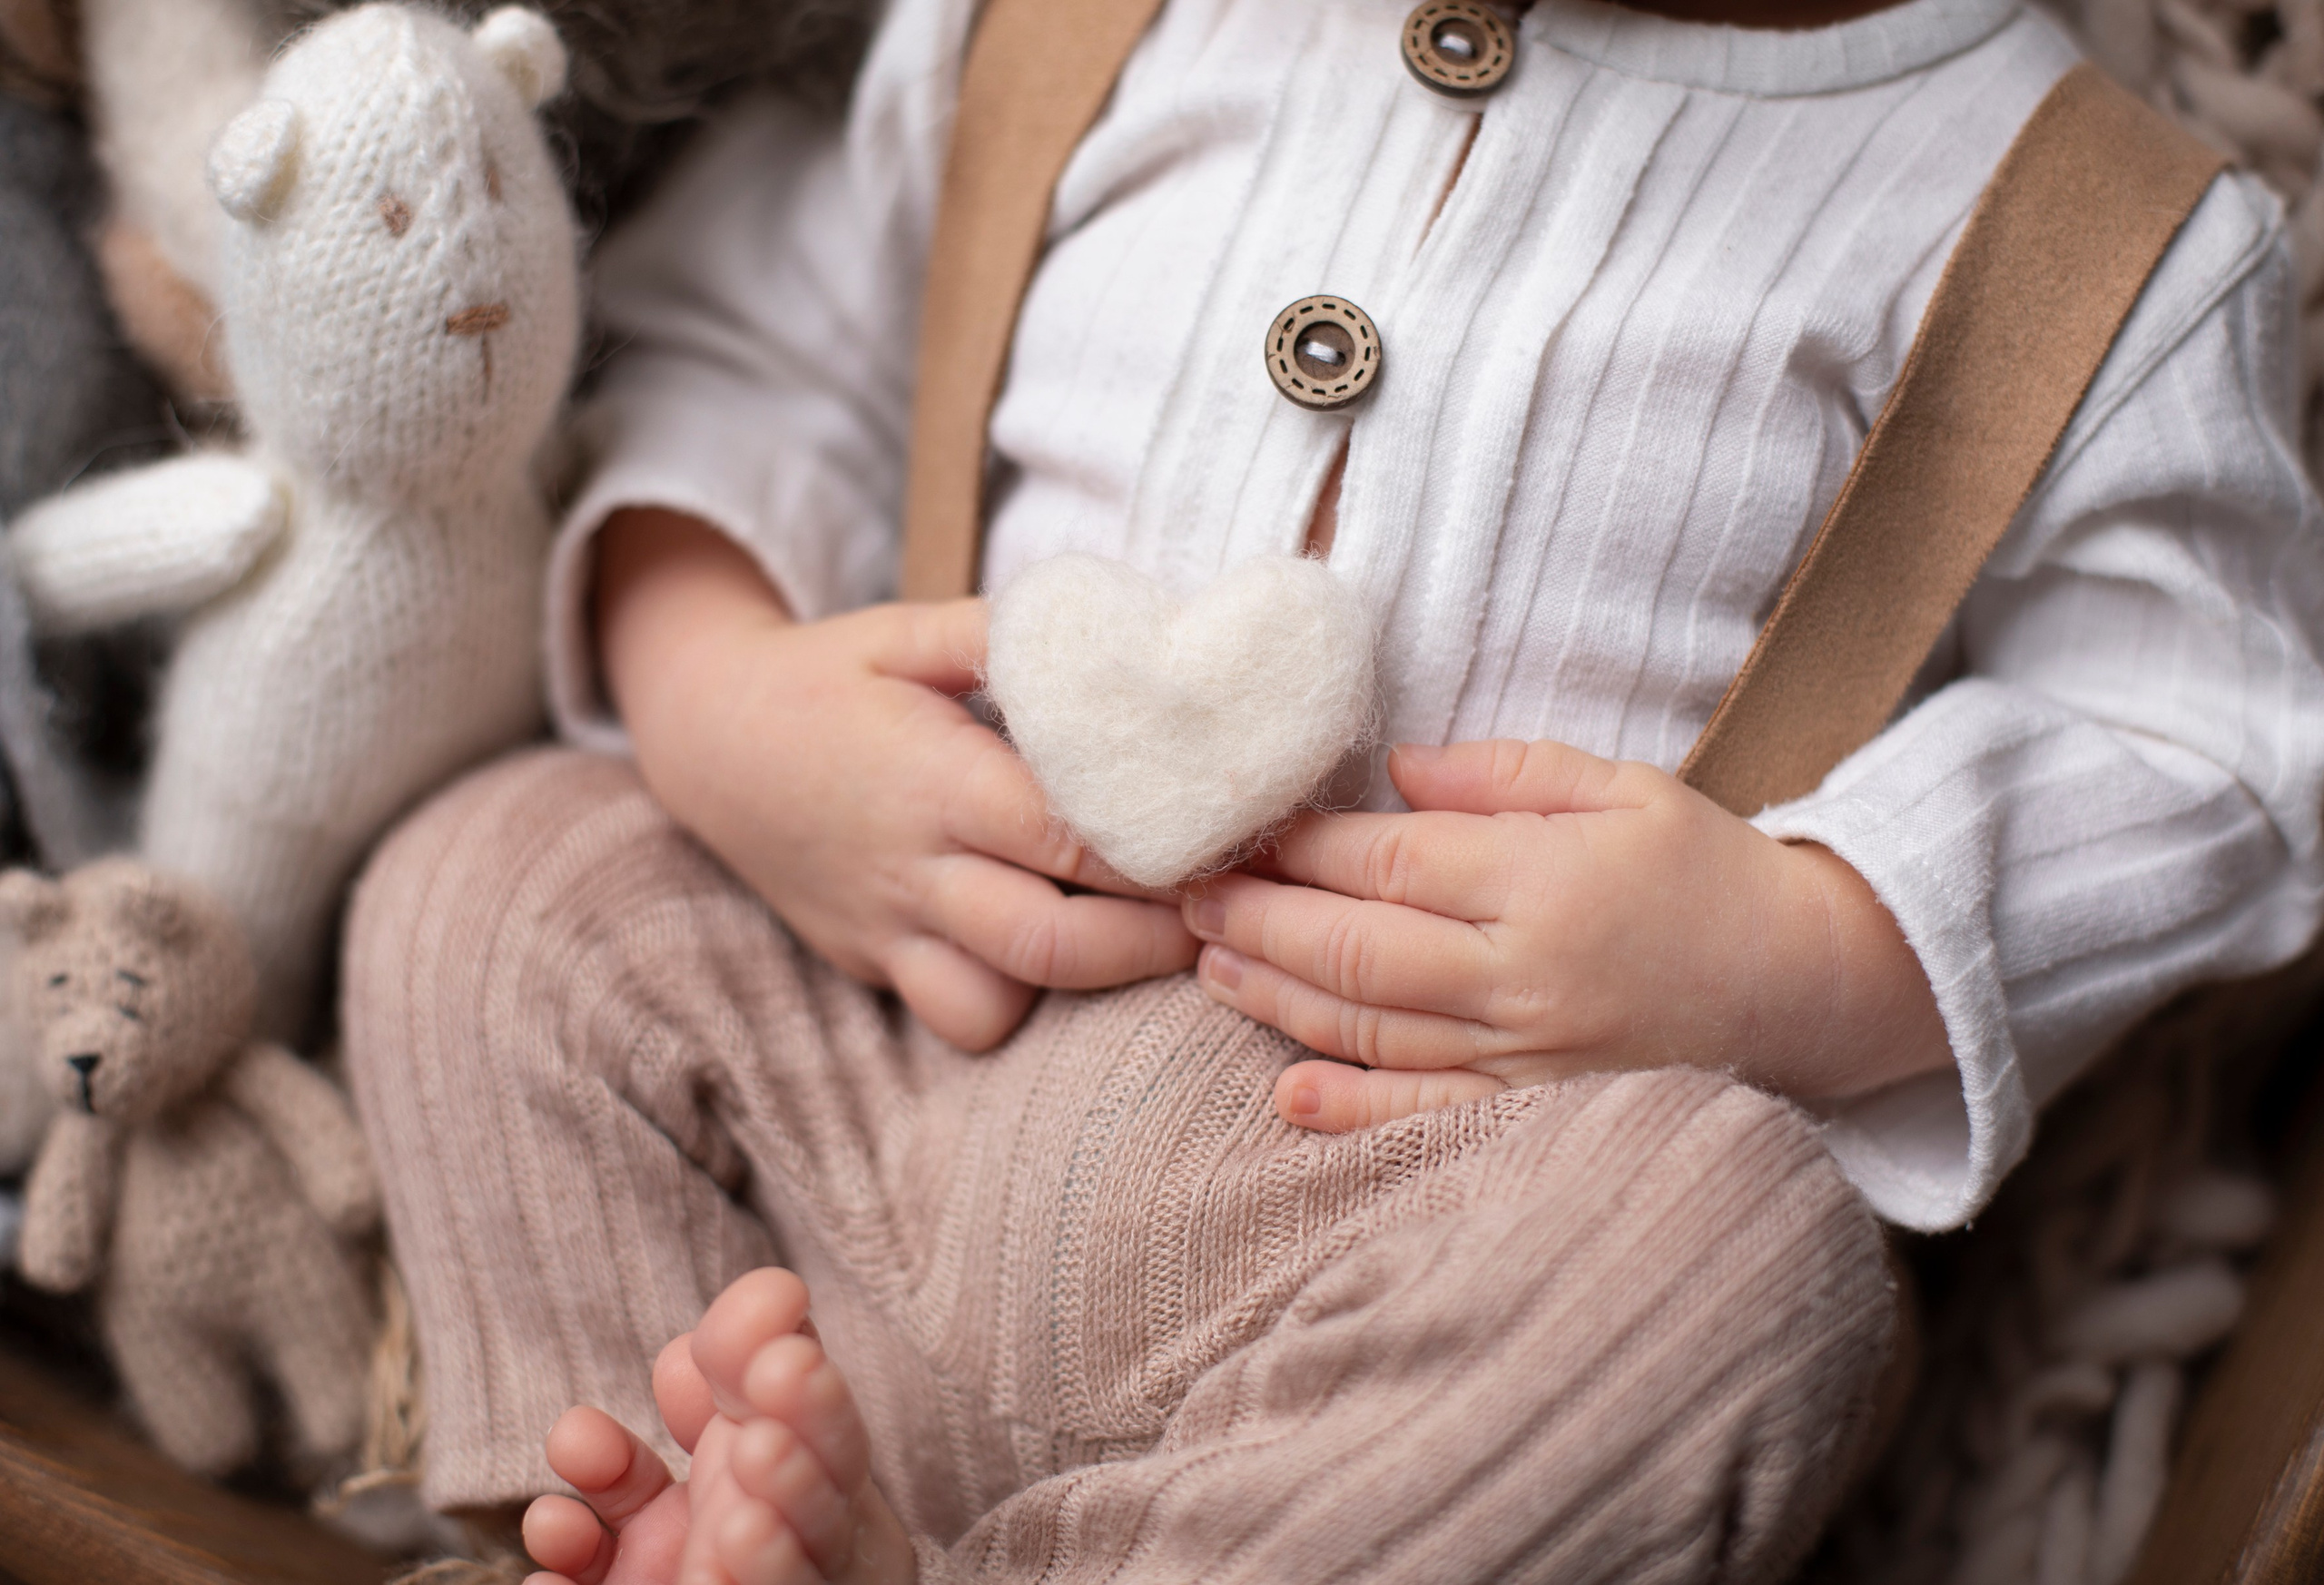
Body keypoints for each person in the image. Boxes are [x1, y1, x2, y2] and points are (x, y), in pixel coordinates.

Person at [338, 0, 2324, 1580]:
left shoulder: (2081, 230)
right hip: (879, 1063)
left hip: (1411, 1232)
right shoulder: (1054, 21)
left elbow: (2205, 746)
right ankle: (667, 1509)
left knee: (1728, 1264)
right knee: (490, 886)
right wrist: (728, 703)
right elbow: (752, 348)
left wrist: (1797, 948)